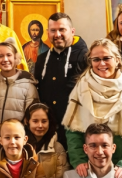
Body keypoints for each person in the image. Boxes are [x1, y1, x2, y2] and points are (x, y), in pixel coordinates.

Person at [63, 38, 122, 175]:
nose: (101, 63)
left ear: (117, 60)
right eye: (96, 59)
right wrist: (79, 160)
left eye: (106, 58)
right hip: (89, 167)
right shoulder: (81, 89)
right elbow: (73, 130)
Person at [33, 13, 87, 147]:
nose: (57, 34)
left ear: (72, 31)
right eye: (53, 30)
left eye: (62, 29)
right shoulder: (41, 59)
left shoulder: (84, 56)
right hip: (47, 129)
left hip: (75, 128)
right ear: (47, 33)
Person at [0, 40, 38, 123]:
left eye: (9, 55)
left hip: (18, 134)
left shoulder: (28, 86)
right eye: (0, 56)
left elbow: (32, 117)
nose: (5, 59)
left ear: (15, 58)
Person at [23, 103, 67, 178]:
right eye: (35, 121)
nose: (40, 125)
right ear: (27, 121)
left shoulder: (57, 148)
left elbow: (62, 175)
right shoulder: (20, 146)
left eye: (44, 121)